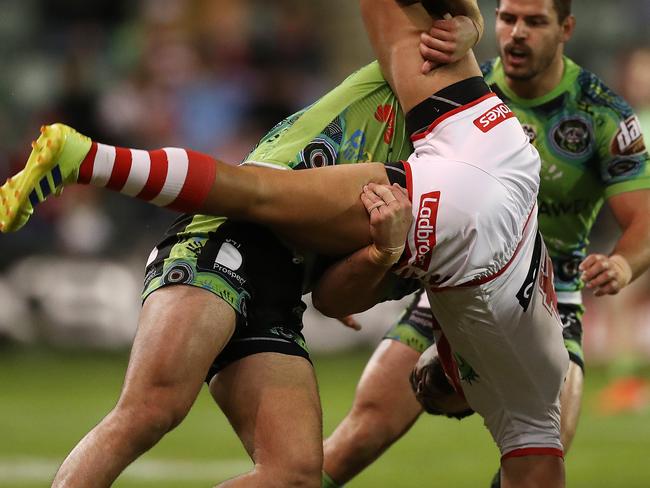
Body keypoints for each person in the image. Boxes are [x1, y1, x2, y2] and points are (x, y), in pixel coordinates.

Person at [3, 1, 569, 486]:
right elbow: (426, 19)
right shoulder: (426, 105)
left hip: (282, 283)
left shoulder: (428, 253)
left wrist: (379, 253)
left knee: (296, 474)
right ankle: (86, 158)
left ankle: (90, 160)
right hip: (223, 236)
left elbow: (332, 300)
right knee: (152, 409)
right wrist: (470, 23)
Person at [319, 1, 650, 487]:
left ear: (566, 29)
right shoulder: (458, 91)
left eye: (535, 22)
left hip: (547, 301)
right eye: (508, 18)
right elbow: (384, 187)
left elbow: (643, 217)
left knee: (540, 456)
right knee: (361, 430)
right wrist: (353, 274)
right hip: (449, 284)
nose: (517, 34)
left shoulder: (602, 113)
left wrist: (623, 265)